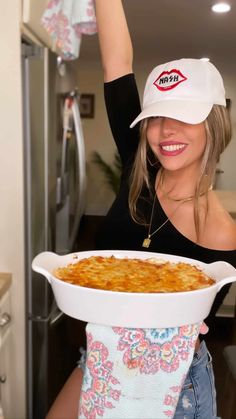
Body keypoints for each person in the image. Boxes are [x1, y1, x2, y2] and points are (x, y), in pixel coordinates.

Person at [46, 1, 236, 418]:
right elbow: (118, 62)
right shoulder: (141, 167)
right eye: (155, 117)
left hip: (174, 380)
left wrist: (190, 323)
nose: (165, 130)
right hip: (104, 352)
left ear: (214, 123)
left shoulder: (223, 232)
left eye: (183, 116)